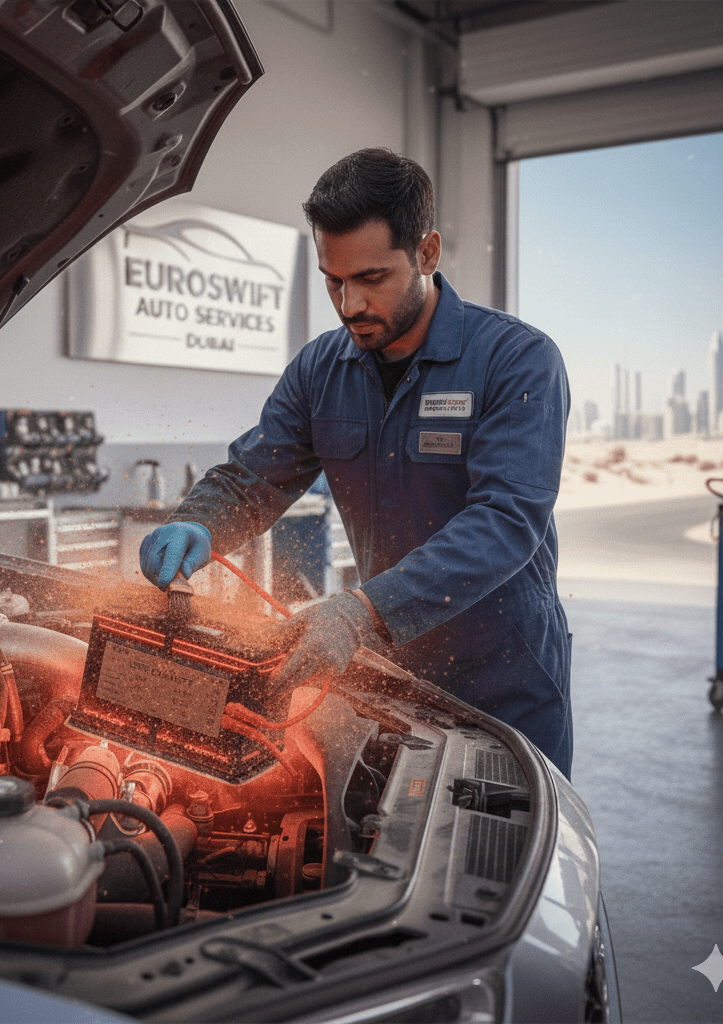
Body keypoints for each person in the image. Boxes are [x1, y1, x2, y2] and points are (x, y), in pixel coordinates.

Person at [139, 149, 573, 779]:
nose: (348, 304)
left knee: (501, 864)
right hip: (385, 674)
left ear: (427, 253)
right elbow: (253, 477)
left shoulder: (517, 360)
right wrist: (199, 523)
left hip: (503, 677)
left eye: (371, 278)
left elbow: (507, 520)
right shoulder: (321, 368)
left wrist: (363, 612)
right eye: (332, 280)